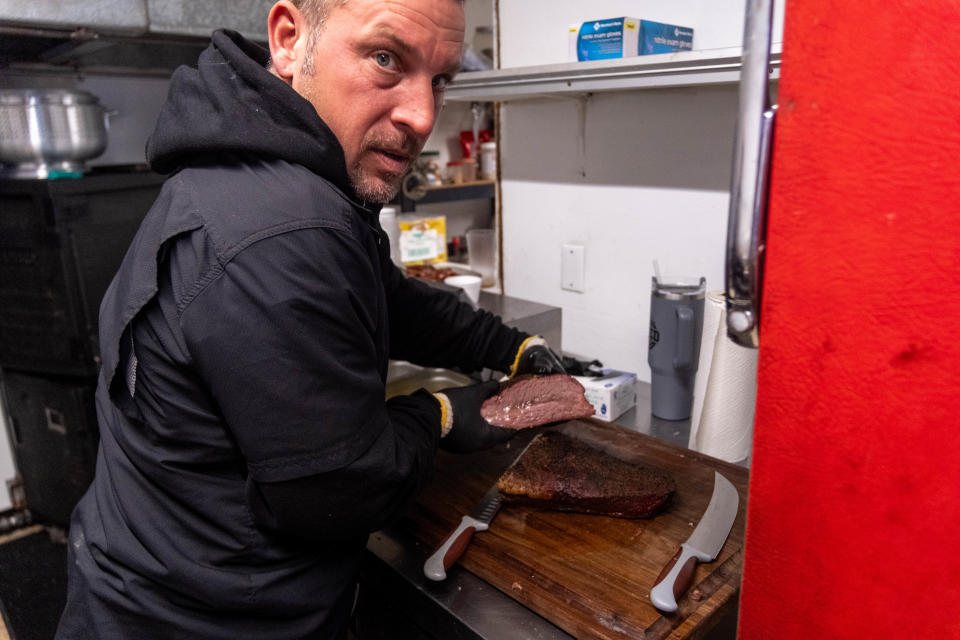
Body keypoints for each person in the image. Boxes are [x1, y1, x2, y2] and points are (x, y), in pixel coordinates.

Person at [54, 0, 564, 638]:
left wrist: (510, 345)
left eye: (439, 79)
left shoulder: (284, 167)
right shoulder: (280, 226)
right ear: (291, 40)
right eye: (385, 58)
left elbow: (387, 297)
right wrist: (439, 415)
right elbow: (338, 492)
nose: (422, 115)